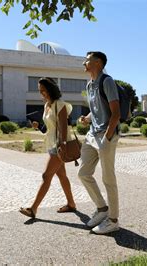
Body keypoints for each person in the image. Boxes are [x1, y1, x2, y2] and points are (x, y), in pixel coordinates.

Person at [19, 77, 77, 218]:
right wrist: (38, 127)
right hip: (51, 144)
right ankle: (71, 204)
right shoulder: (47, 106)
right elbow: (49, 129)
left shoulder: (60, 105)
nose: (41, 93)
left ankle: (33, 209)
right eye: (40, 91)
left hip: (59, 145)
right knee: (62, 175)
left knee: (46, 176)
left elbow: (63, 128)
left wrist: (62, 145)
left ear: (50, 89)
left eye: (43, 90)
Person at [78, 51, 121, 234]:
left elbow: (116, 113)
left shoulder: (107, 81)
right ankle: (102, 209)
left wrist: (107, 138)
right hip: (92, 134)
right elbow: (96, 109)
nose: (83, 63)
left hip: (106, 135)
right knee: (83, 173)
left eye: (87, 60)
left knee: (108, 179)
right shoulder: (89, 85)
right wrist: (87, 118)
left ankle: (113, 220)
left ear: (97, 62)